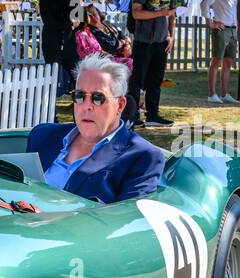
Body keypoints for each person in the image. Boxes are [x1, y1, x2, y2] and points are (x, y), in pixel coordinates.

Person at [27, 54, 165, 203]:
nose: (86, 106)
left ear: (120, 105)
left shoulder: (141, 156)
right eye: (79, 96)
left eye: (98, 98)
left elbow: (126, 217)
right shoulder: (42, 135)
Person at [125, 0, 176, 127]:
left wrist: (171, 36)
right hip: (143, 40)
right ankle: (132, 116)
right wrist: (159, 13)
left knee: (156, 79)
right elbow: (136, 12)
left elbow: (172, 15)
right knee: (137, 80)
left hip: (161, 41)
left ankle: (153, 114)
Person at [201, 0, 239, 103]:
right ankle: (212, 94)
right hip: (221, 28)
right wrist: (211, 22)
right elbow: (204, 3)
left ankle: (225, 94)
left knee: (228, 62)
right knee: (216, 60)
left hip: (233, 28)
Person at [40, 0, 80, 95]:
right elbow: (50, 22)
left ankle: (78, 112)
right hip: (52, 44)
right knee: (51, 80)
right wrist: (69, 23)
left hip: (70, 45)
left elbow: (78, 20)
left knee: (78, 79)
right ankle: (50, 113)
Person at [75, 4, 131, 71]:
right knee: (132, 62)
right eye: (90, 15)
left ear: (98, 13)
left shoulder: (106, 23)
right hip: (110, 58)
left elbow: (121, 34)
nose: (94, 17)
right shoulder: (92, 31)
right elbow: (112, 45)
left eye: (95, 14)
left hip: (123, 52)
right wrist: (124, 42)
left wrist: (127, 46)